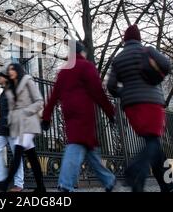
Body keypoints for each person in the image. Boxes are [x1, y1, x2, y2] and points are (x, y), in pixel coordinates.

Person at [107, 24, 173, 192]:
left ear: (125, 40)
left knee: (152, 144)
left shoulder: (118, 59)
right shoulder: (147, 51)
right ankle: (133, 171)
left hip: (131, 106)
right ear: (139, 38)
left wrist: (125, 92)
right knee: (153, 141)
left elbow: (111, 86)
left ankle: (166, 186)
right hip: (152, 102)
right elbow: (167, 65)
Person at [42, 42, 117, 192]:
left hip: (69, 113)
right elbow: (98, 92)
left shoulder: (64, 71)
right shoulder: (87, 66)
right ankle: (66, 184)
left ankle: (108, 180)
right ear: (81, 52)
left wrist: (46, 116)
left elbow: (53, 95)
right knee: (79, 145)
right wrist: (110, 111)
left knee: (88, 148)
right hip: (84, 113)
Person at [0, 63, 46, 192]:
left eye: (12, 69)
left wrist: (25, 112)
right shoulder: (11, 87)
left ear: (17, 70)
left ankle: (4, 184)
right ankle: (41, 187)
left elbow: (39, 102)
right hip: (19, 126)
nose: (10, 71)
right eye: (9, 70)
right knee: (32, 157)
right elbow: (12, 109)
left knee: (17, 153)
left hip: (29, 123)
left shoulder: (28, 80)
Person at [0, 70, 24, 192]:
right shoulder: (3, 93)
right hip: (3, 129)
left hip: (14, 128)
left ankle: (19, 184)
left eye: (0, 76)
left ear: (5, 78)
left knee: (17, 155)